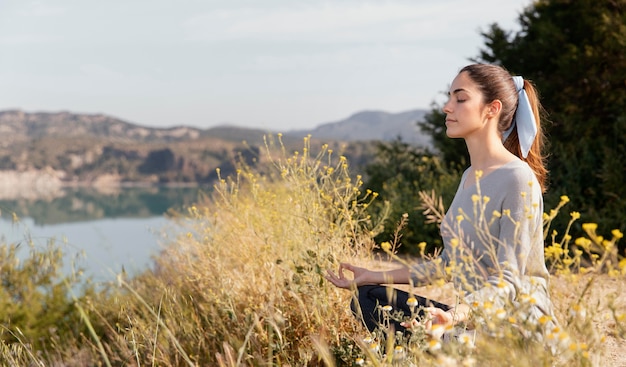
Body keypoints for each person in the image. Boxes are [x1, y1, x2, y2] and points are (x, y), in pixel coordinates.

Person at [325, 63, 555, 336]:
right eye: (449, 98)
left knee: (428, 338)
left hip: (515, 328)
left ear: (492, 109)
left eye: (460, 98)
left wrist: (453, 316)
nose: (447, 107)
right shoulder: (470, 176)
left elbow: (508, 280)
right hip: (474, 318)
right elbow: (448, 264)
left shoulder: (517, 178)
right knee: (368, 297)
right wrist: (371, 275)